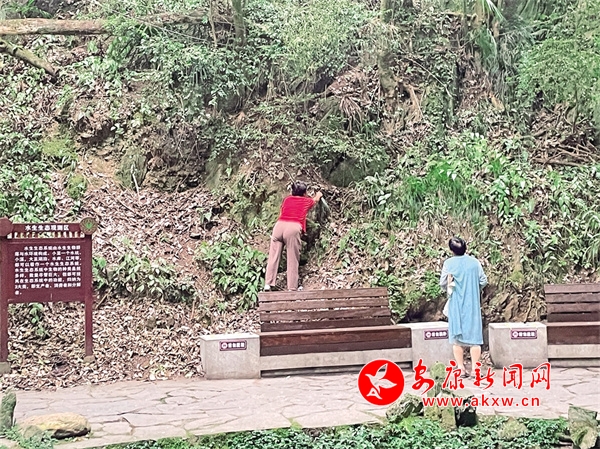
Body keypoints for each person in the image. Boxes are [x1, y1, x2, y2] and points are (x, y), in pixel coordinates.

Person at [440, 237, 488, 378]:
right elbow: (483, 281)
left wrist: (451, 286)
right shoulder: (474, 262)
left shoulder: (448, 264)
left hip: (455, 304)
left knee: (457, 339)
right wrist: (474, 289)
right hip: (472, 303)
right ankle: (475, 370)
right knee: (475, 339)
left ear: (451, 250)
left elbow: (443, 283)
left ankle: (461, 368)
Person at [264, 181, 322, 292]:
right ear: (304, 193)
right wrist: (318, 194)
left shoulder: (287, 200)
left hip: (279, 226)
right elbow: (315, 200)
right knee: (292, 258)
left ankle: (268, 283)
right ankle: (292, 288)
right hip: (293, 228)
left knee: (273, 256)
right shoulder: (306, 201)